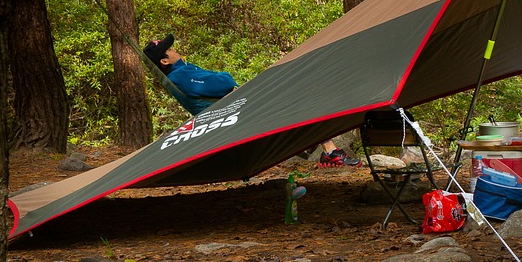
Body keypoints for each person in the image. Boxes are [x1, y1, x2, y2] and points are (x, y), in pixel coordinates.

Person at [143, 34, 360, 167]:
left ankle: (327, 150)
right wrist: (225, 78)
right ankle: (330, 152)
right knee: (295, 92)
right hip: (235, 110)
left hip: (236, 105)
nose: (174, 48)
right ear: (164, 60)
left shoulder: (183, 71)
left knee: (293, 93)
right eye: (169, 49)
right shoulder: (179, 76)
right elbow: (225, 82)